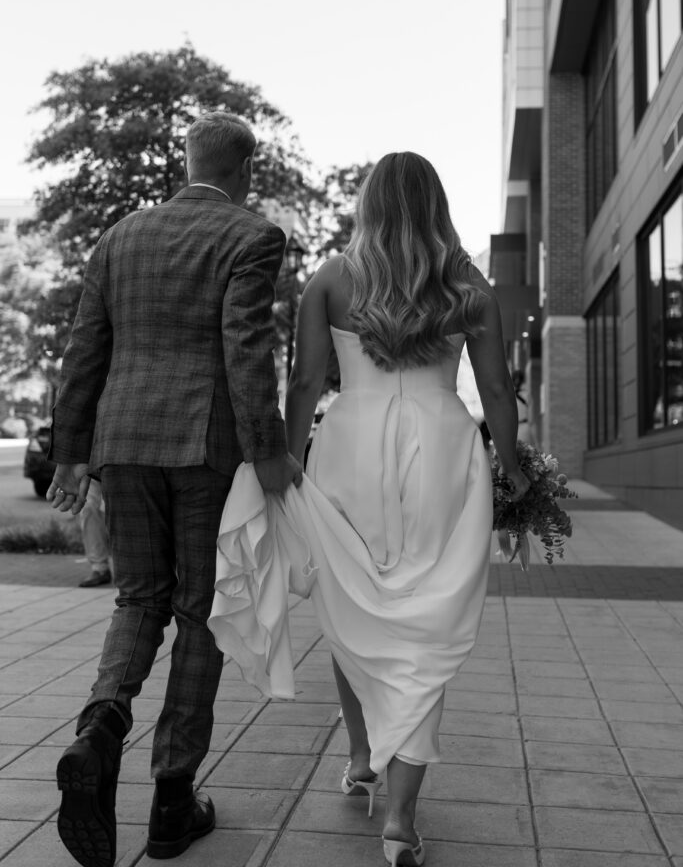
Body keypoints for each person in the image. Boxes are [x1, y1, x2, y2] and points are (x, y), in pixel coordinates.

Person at [210, 152, 529, 867]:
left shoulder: (331, 277)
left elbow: (302, 381)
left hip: (348, 448)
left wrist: (283, 467)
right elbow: (499, 394)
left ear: (369, 203)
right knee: (421, 629)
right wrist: (512, 473)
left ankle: (359, 757)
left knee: (355, 611)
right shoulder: (468, 285)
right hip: (444, 453)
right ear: (435, 204)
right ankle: (399, 821)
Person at [47, 111, 302, 867]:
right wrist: (270, 451)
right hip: (205, 448)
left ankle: (100, 725)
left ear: (186, 159)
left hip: (122, 444)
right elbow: (244, 349)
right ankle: (170, 801)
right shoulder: (252, 237)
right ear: (244, 167)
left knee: (137, 599)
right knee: (197, 614)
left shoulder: (118, 237)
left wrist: (71, 452)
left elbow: (83, 348)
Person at [78, 479, 112, 587]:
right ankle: (100, 568)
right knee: (89, 508)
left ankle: (131, 567)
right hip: (90, 466)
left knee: (116, 507)